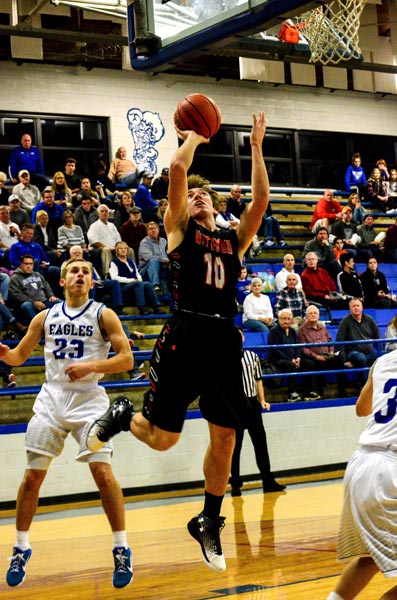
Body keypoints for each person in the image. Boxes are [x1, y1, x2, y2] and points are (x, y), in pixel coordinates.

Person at [86, 111, 269, 573]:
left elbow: (262, 201)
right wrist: (193, 138)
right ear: (184, 207)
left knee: (227, 436)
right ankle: (127, 416)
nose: (199, 197)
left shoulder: (233, 239)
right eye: (193, 196)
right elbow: (179, 173)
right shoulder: (178, 230)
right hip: (184, 333)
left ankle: (209, 518)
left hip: (225, 337)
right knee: (164, 440)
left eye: (206, 195)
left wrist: (257, 148)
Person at [2, 257, 133, 589]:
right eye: (74, 271)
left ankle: (121, 547)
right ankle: (20, 548)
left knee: (103, 474)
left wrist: (90, 367)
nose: (79, 275)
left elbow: (127, 359)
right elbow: (19, 356)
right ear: (61, 281)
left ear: (92, 282)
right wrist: (5, 354)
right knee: (32, 478)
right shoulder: (45, 317)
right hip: (52, 398)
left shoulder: (103, 314)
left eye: (85, 272)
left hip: (89, 398)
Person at [325, 350, 397, 600]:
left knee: (371, 557)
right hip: (390, 471)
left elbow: (362, 408)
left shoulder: (382, 361)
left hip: (361, 464)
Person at [229, 328, 286, 497]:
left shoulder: (252, 357)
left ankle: (268, 481)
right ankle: (235, 484)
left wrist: (262, 400)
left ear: (243, 338)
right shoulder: (224, 358)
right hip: (235, 405)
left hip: (252, 403)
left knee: (260, 444)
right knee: (235, 446)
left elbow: (258, 380)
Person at [267, 308, 321, 402]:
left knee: (309, 363)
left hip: (293, 359)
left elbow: (297, 346)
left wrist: (298, 358)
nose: (286, 321)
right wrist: (290, 359)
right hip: (277, 359)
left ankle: (310, 391)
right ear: (279, 319)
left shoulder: (292, 330)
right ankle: (292, 393)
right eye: (283, 318)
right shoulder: (273, 331)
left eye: (288, 319)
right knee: (289, 365)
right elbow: (275, 349)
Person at [298, 305, 348, 397]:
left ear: (319, 315)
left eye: (315, 313)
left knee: (339, 361)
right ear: (307, 316)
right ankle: (320, 393)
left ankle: (342, 390)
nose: (313, 315)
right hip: (314, 357)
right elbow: (303, 348)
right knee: (315, 364)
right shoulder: (302, 330)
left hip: (327, 356)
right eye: (311, 313)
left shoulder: (323, 328)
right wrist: (316, 356)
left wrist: (331, 352)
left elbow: (329, 341)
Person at [109, 241, 164, 315]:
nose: (123, 250)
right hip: (123, 287)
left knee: (147, 284)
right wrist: (131, 280)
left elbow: (137, 273)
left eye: (125, 248)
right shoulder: (114, 262)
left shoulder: (130, 261)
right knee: (138, 284)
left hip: (135, 285)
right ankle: (142, 307)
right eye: (121, 248)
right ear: (117, 250)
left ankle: (156, 307)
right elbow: (114, 278)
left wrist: (139, 279)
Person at [336, 298, 380, 387]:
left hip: (369, 352)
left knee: (380, 357)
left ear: (362, 307)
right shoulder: (345, 321)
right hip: (353, 352)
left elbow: (378, 337)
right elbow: (339, 341)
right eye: (353, 306)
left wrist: (379, 351)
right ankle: (365, 386)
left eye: (358, 306)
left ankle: (378, 386)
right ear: (350, 309)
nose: (356, 308)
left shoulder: (369, 319)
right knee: (360, 358)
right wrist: (344, 360)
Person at [8, 254, 60, 323]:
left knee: (59, 303)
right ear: (21, 265)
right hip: (29, 304)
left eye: (31, 264)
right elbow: (16, 295)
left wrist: (51, 296)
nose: (29, 266)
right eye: (26, 264)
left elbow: (46, 287)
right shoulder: (15, 277)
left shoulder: (37, 274)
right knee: (26, 305)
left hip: (44, 302)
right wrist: (34, 302)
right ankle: (39, 327)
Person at [87, 204, 121, 278]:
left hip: (114, 249)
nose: (104, 213)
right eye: (102, 211)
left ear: (109, 213)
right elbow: (94, 242)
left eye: (106, 211)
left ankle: (131, 272)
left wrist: (118, 248)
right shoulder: (94, 226)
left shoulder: (112, 226)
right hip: (100, 250)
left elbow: (118, 240)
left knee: (128, 250)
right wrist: (108, 248)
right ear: (98, 214)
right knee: (106, 250)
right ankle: (107, 275)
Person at [138, 221, 169, 294]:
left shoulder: (163, 241)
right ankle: (155, 285)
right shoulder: (144, 242)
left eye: (155, 228)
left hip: (163, 266)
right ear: (147, 232)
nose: (153, 230)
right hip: (146, 269)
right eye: (150, 229)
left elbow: (168, 253)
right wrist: (164, 260)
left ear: (158, 230)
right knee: (153, 260)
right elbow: (150, 258)